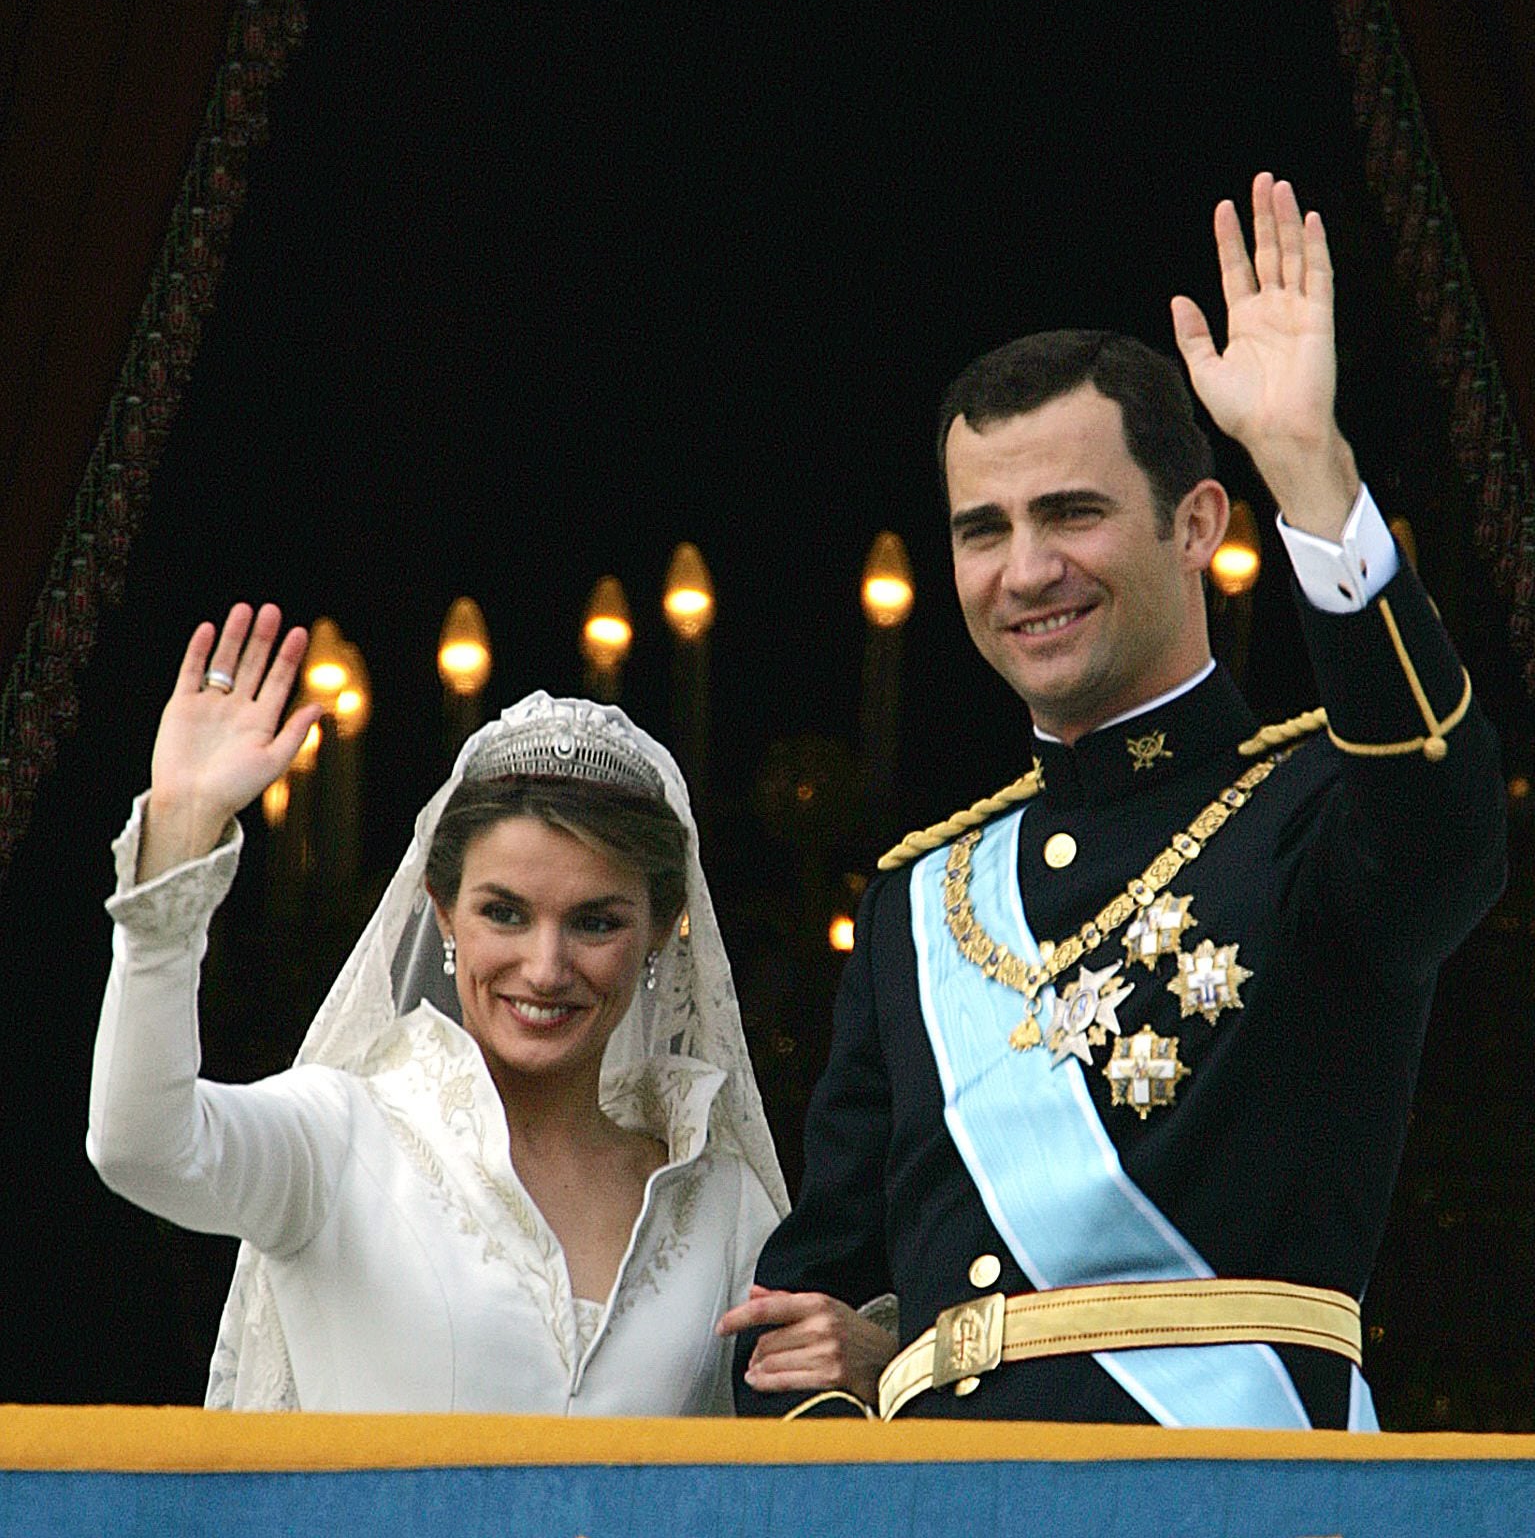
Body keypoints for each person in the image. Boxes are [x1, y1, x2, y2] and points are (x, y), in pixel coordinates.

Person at [725, 174, 1506, 1428]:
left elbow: (1446, 828)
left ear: (1194, 522)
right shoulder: (916, 900)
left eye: (1071, 513)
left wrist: (1308, 468)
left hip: (1238, 1496)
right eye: (982, 528)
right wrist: (844, 1377)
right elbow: (796, 1315)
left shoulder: (1322, 805)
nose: (1024, 570)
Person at [89, 612, 785, 1411]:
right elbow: (139, 1145)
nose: (546, 967)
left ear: (662, 929)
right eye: (505, 913)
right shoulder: (338, 1136)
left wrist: (873, 1369)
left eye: (595, 922)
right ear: (443, 910)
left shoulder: (720, 1197)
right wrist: (180, 832)